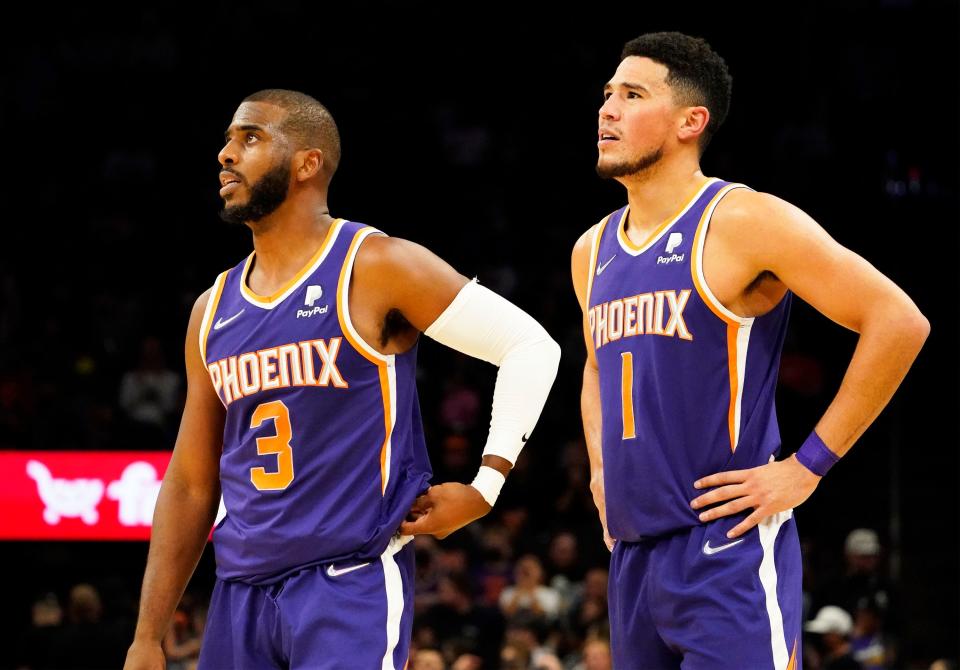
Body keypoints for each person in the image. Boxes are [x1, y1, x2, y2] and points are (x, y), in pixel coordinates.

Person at [124, 89, 560, 669]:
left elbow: (530, 345)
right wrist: (147, 635)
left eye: (249, 138)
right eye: (227, 141)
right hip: (239, 595)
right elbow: (190, 484)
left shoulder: (375, 265)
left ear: (308, 163)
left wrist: (487, 485)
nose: (226, 154)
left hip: (346, 583)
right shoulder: (211, 309)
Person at [571, 32, 928, 668]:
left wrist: (807, 466)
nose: (608, 110)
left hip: (725, 546)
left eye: (632, 95)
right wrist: (602, 471)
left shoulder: (743, 220)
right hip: (631, 553)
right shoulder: (590, 249)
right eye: (607, 95)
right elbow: (599, 365)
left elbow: (898, 322)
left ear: (691, 120)